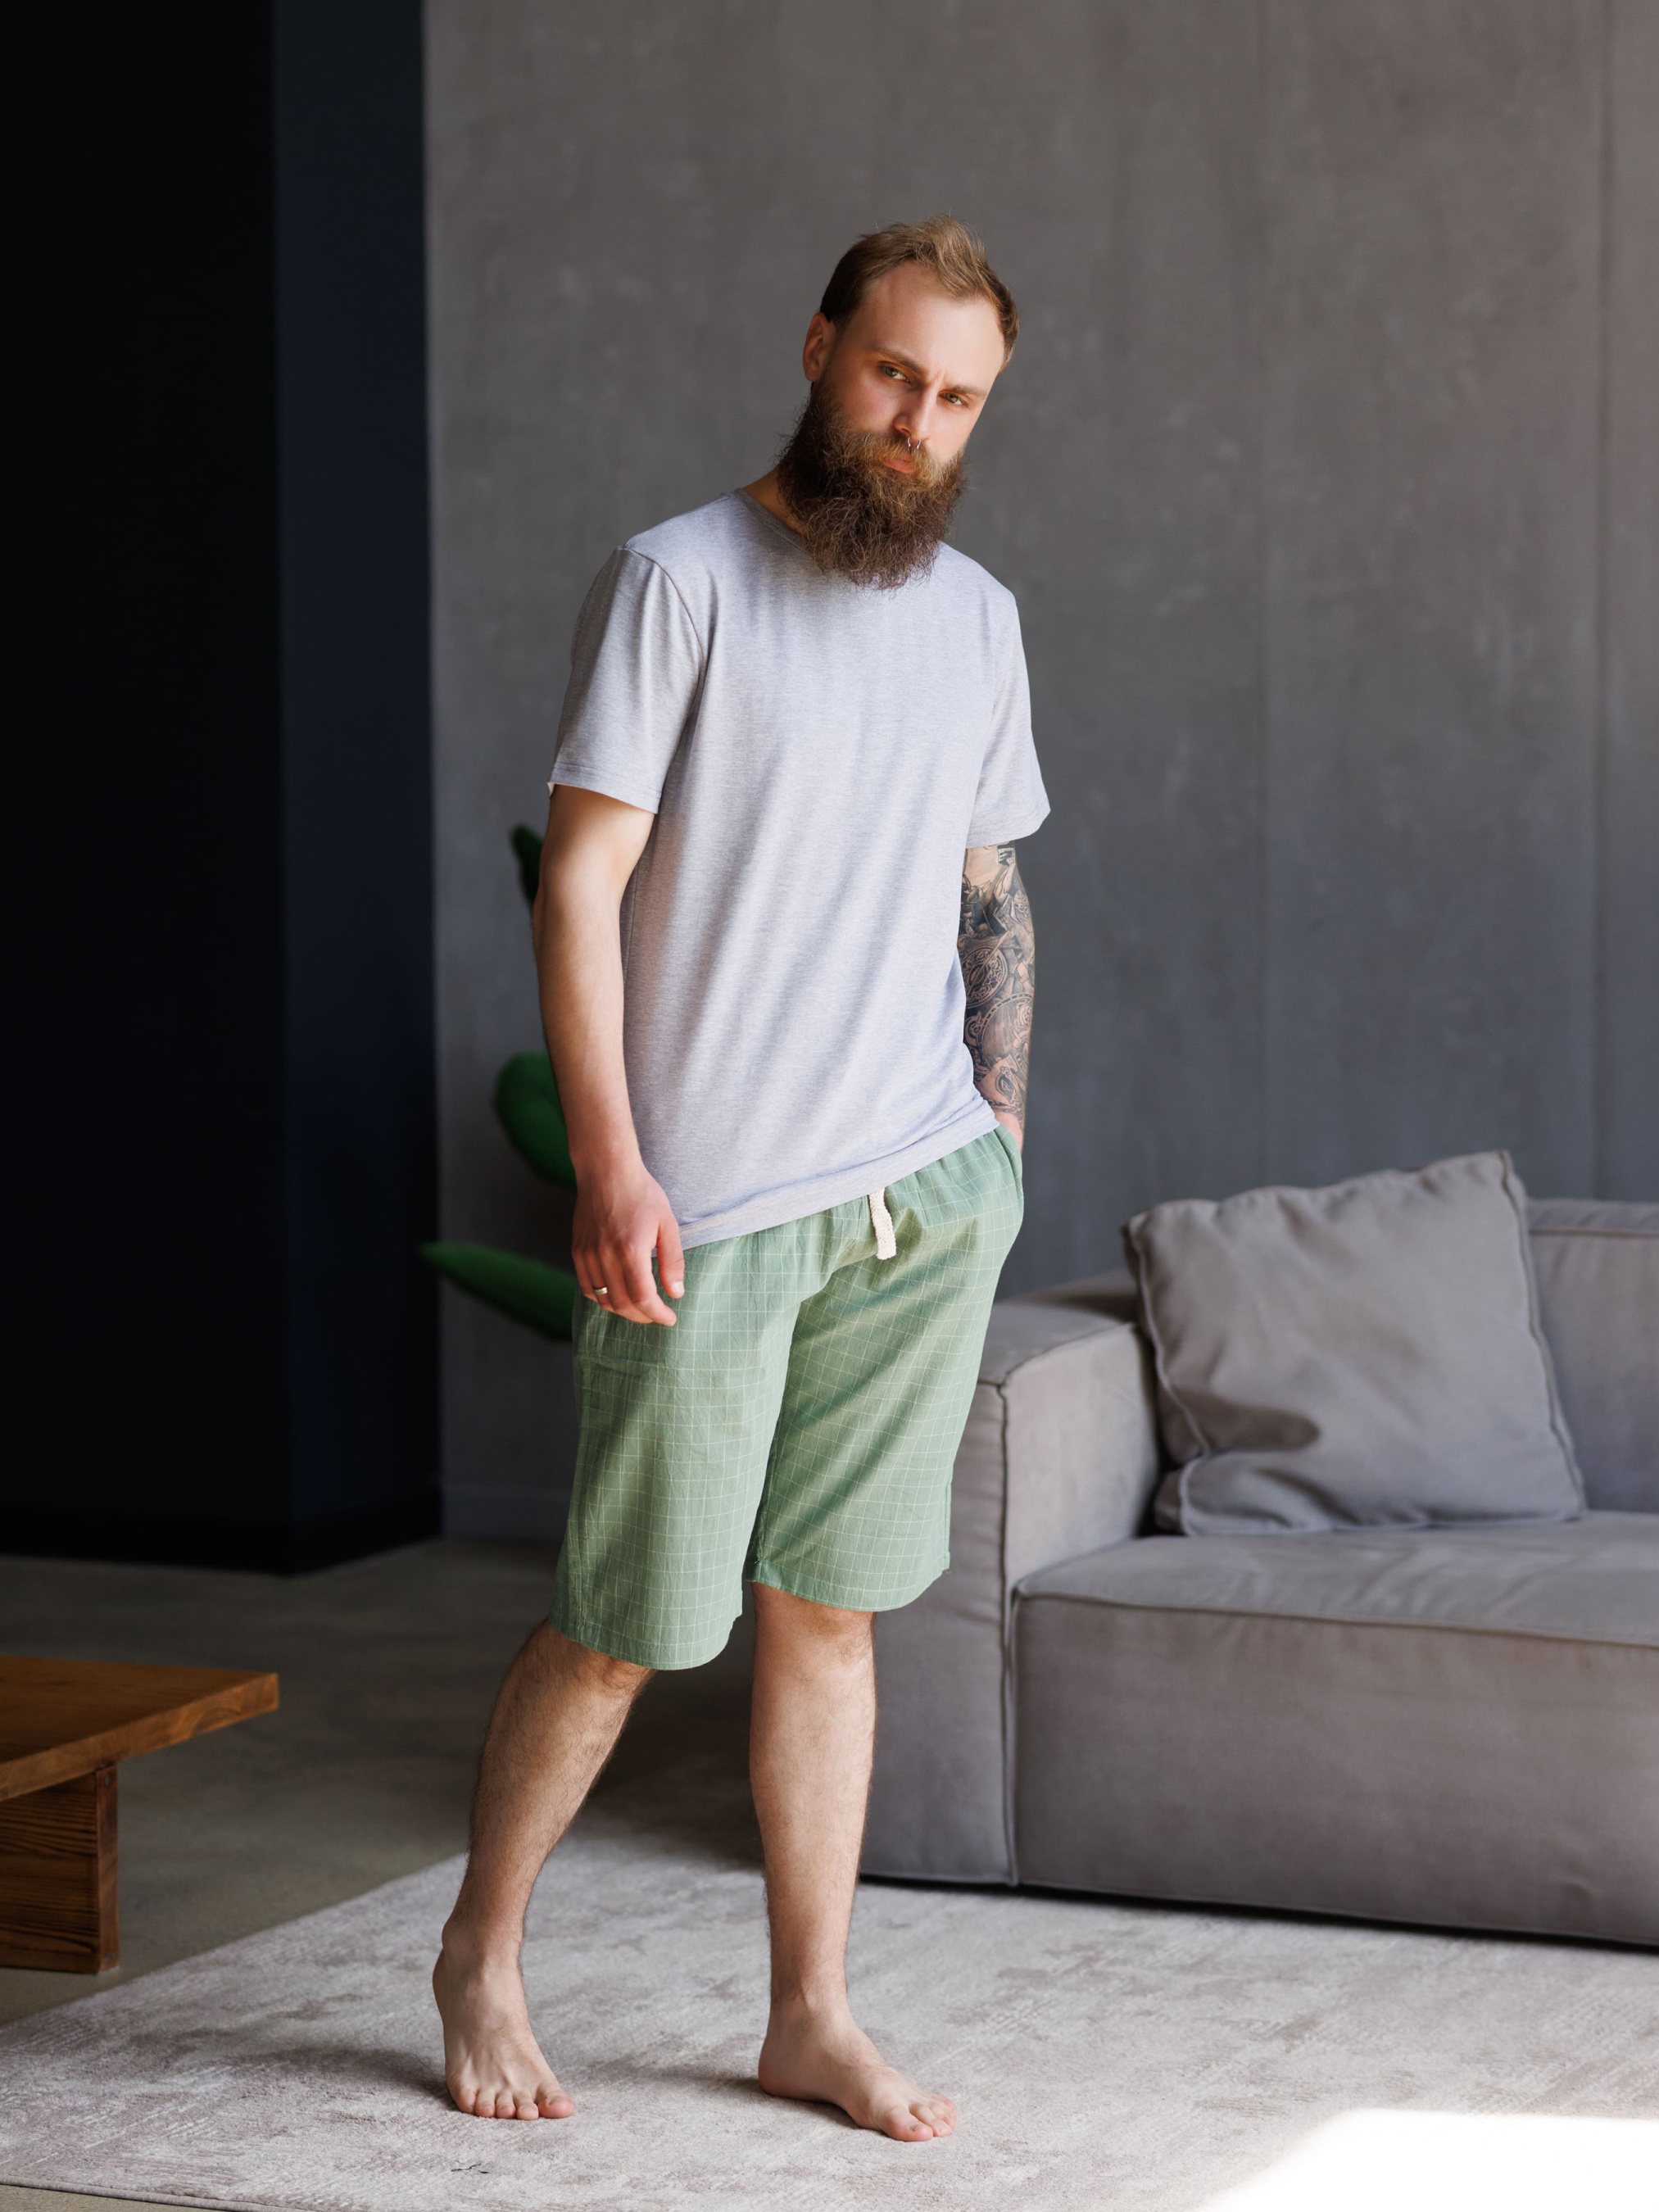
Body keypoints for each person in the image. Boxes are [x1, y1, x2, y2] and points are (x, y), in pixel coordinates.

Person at [433, 215, 1046, 2144]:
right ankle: (479, 1954)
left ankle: (808, 2013)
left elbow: (990, 888)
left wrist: (999, 1141)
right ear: (816, 349)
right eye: (890, 375)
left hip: (916, 1195)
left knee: (829, 1614)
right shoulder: (675, 582)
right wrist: (611, 1165)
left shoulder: (976, 619)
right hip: (705, 1210)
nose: (915, 424)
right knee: (625, 1623)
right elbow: (582, 887)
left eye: (955, 400)